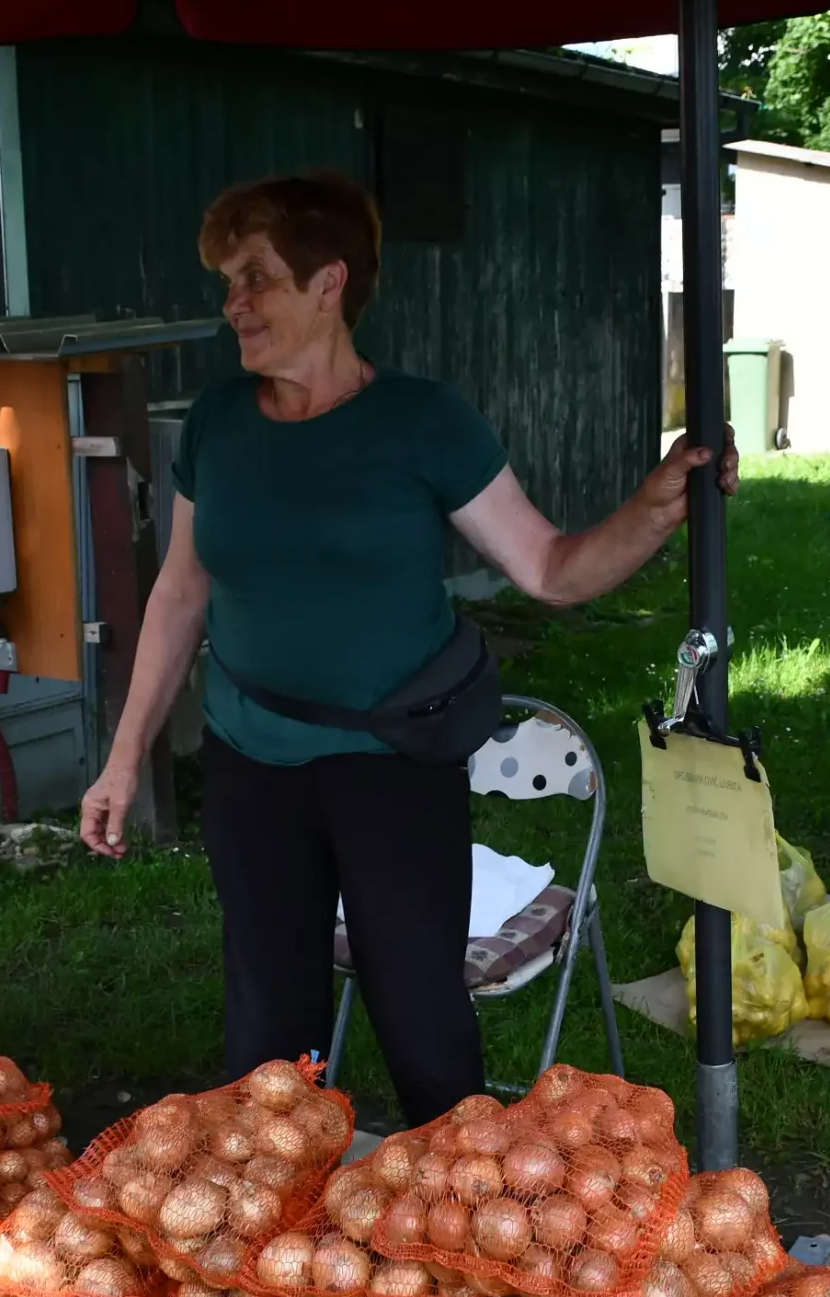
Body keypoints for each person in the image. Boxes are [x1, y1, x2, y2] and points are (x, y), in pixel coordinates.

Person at [79, 171, 736, 1125]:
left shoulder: (422, 421)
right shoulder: (218, 423)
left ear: (329, 282)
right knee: (267, 1036)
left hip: (391, 766)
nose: (234, 304)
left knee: (424, 1026)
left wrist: (654, 507)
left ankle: (454, 1197)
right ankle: (282, 1197)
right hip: (249, 763)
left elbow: (550, 568)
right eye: (228, 282)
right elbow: (181, 590)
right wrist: (122, 758)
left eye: (256, 277)